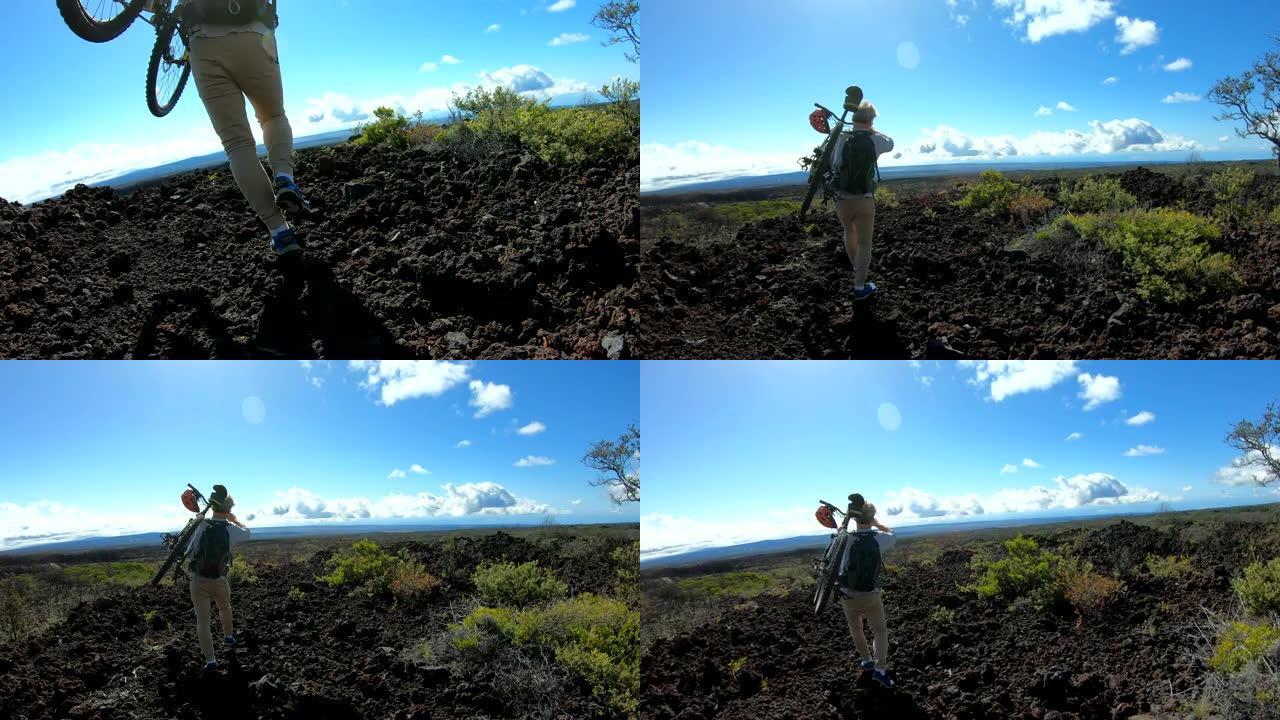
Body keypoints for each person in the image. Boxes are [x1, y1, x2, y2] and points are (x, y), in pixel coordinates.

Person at [177, 0, 309, 255]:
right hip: (254, 34)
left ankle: (280, 232)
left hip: (203, 43)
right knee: (272, 116)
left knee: (237, 144)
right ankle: (284, 177)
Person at [829, 102, 894, 301]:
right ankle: (859, 287)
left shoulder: (840, 137)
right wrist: (872, 129)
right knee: (865, 242)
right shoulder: (875, 139)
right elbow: (891, 143)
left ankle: (857, 269)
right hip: (865, 198)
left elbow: (832, 164)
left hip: (841, 197)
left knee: (849, 232)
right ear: (871, 120)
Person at [187, 484, 250, 670]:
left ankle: (211, 660)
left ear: (212, 506)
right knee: (224, 607)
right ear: (229, 509)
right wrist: (236, 520)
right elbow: (249, 533)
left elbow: (190, 550)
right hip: (220, 579)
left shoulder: (202, 525)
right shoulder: (231, 529)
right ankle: (228, 636)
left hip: (199, 581)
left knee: (203, 622)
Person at [838, 499, 896, 688]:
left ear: (855, 519)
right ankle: (880, 670)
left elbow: (839, 538)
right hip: (871, 594)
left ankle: (866, 661)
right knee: (879, 631)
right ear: (872, 518)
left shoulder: (846, 538)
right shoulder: (880, 538)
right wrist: (877, 524)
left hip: (848, 594)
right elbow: (894, 534)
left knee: (856, 629)